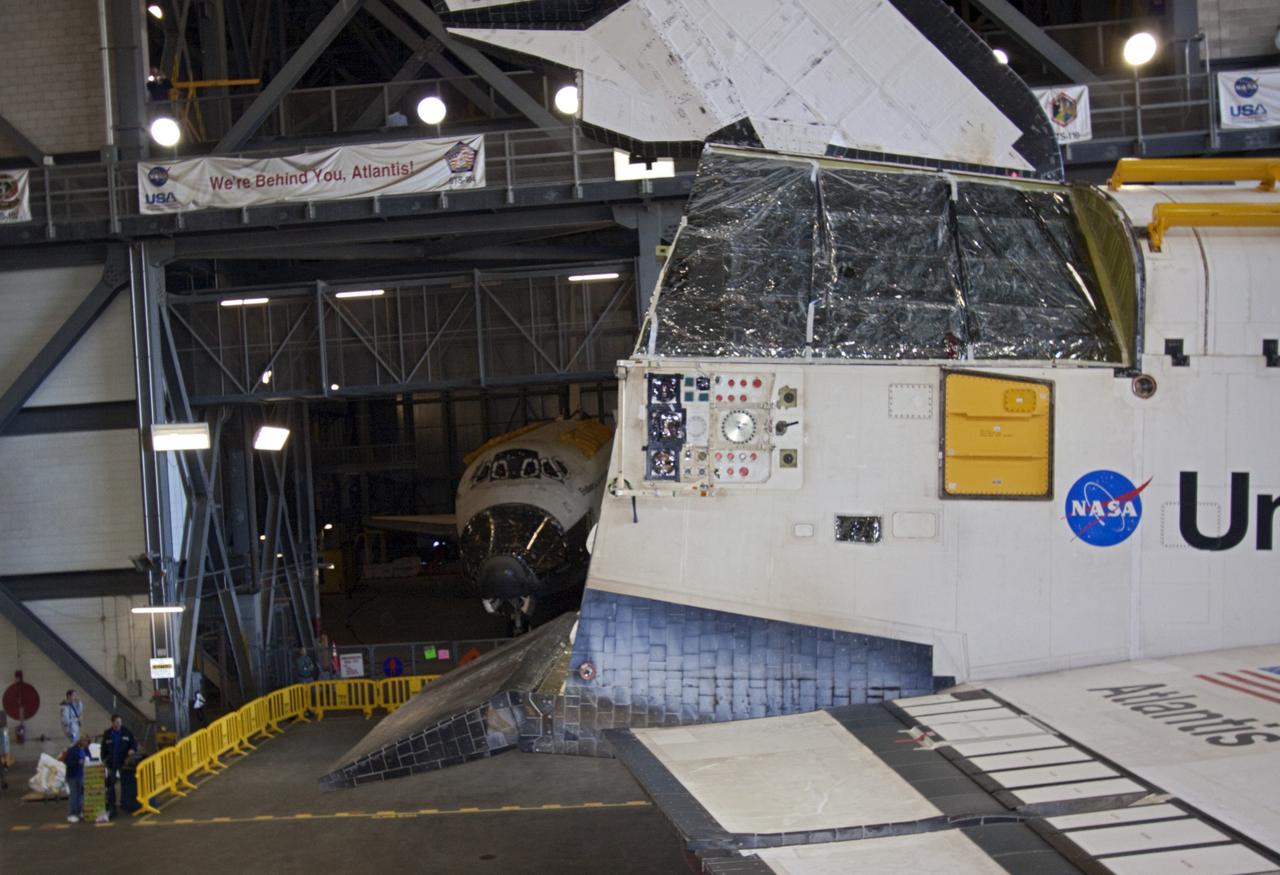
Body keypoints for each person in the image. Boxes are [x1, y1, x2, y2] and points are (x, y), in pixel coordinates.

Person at [100, 714, 137, 817]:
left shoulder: (126, 732)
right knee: (111, 785)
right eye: (117, 722)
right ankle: (112, 807)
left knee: (125, 784)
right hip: (111, 763)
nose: (119, 724)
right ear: (112, 723)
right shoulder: (107, 734)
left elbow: (134, 744)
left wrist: (132, 749)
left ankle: (126, 804)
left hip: (124, 763)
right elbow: (103, 748)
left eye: (120, 722)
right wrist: (103, 759)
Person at [59, 736, 90, 823]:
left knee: (80, 795)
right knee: (74, 795)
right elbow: (67, 761)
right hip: (73, 776)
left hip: (81, 775)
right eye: (86, 742)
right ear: (82, 741)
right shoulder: (72, 750)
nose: (87, 744)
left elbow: (89, 757)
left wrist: (87, 759)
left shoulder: (85, 749)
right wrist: (77, 762)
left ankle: (79, 812)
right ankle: (71, 814)